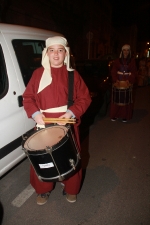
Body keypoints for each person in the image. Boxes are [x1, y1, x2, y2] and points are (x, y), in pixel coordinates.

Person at [22, 36, 91, 205]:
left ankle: (71, 188)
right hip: (43, 122)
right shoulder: (38, 74)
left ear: (65, 54)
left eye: (60, 50)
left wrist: (70, 113)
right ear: (47, 54)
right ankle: (43, 190)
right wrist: (36, 115)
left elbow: (84, 98)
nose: (56, 54)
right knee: (43, 158)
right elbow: (28, 98)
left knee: (70, 157)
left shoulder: (73, 74)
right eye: (52, 50)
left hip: (66, 123)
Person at [110, 44, 137, 122]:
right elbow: (114, 71)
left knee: (126, 100)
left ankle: (125, 116)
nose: (126, 52)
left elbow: (134, 72)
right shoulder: (117, 61)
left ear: (129, 51)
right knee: (116, 100)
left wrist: (130, 80)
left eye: (127, 50)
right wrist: (115, 79)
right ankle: (115, 115)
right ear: (122, 51)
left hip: (127, 82)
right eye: (124, 50)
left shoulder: (132, 61)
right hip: (118, 82)